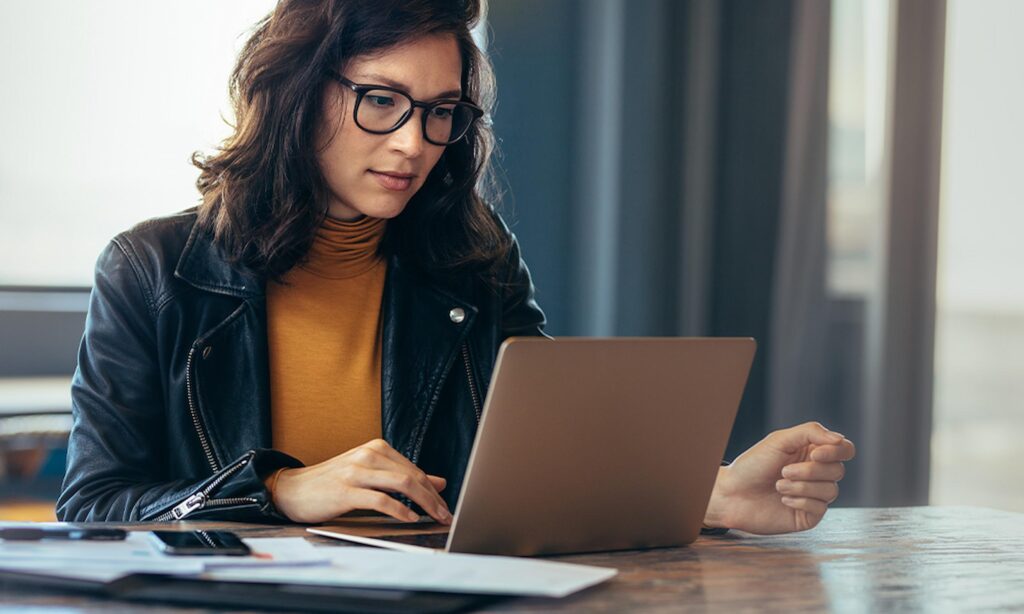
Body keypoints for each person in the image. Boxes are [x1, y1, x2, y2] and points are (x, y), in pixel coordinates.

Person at [56, 0, 855, 536]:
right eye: (381, 101)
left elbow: (547, 465)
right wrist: (276, 492)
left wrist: (709, 493)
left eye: (442, 112)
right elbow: (92, 508)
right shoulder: (153, 270)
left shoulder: (473, 259)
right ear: (297, 92)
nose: (413, 143)